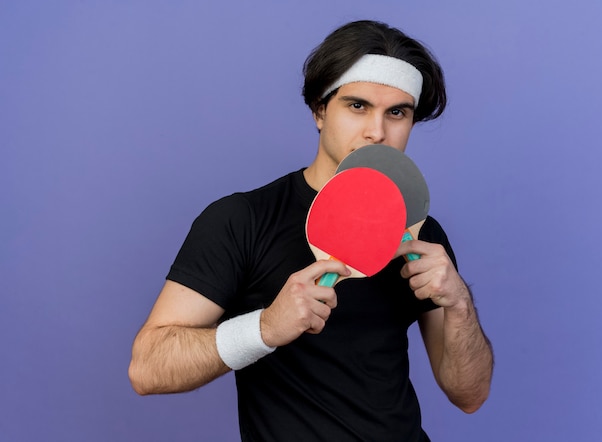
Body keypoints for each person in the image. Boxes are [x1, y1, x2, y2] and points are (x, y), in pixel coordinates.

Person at [129, 20, 493, 441]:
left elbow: (469, 395)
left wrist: (460, 302)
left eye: (397, 112)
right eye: (357, 106)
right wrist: (264, 328)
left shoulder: (421, 232)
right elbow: (147, 367)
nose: (377, 131)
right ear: (320, 110)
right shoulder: (242, 219)